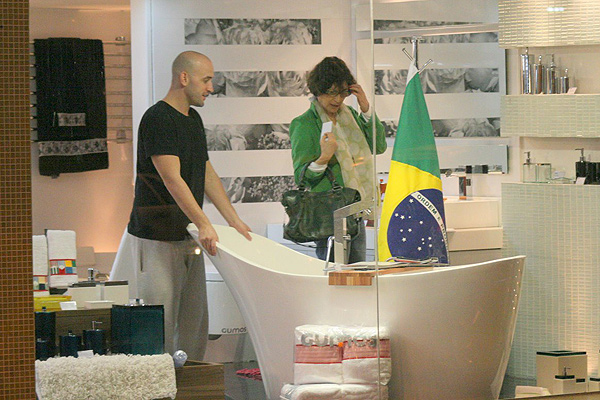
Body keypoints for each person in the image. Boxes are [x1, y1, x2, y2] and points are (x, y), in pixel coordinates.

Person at [110, 51, 252, 361]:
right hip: (156, 237)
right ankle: (158, 382)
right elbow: (171, 178)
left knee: (194, 321)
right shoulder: (158, 118)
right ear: (184, 78)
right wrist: (204, 223)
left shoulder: (193, 119)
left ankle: (191, 381)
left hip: (186, 236)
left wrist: (234, 220)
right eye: (206, 80)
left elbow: (206, 172)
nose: (211, 88)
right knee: (159, 322)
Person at [289, 56, 387, 263]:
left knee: (358, 271)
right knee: (335, 273)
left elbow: (378, 146)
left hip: (355, 209)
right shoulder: (304, 124)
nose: (337, 99)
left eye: (342, 93)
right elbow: (301, 177)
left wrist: (366, 108)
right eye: (332, 92)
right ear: (318, 90)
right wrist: (324, 157)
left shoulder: (349, 115)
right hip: (329, 214)